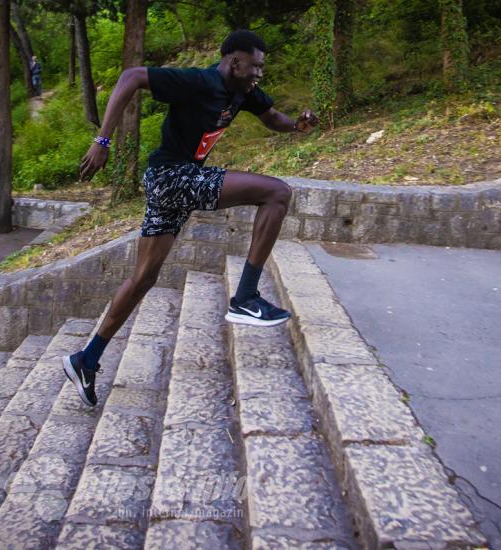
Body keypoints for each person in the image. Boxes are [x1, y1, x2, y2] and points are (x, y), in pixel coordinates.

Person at [62, 29, 318, 407]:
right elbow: (131, 76)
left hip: (173, 183)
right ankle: (246, 296)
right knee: (277, 192)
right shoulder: (198, 81)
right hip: (171, 177)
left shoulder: (243, 91)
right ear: (234, 62)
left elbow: (272, 118)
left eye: (261, 67)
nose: (259, 73)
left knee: (143, 277)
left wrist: (297, 125)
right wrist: (102, 141)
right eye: (255, 66)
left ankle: (87, 358)